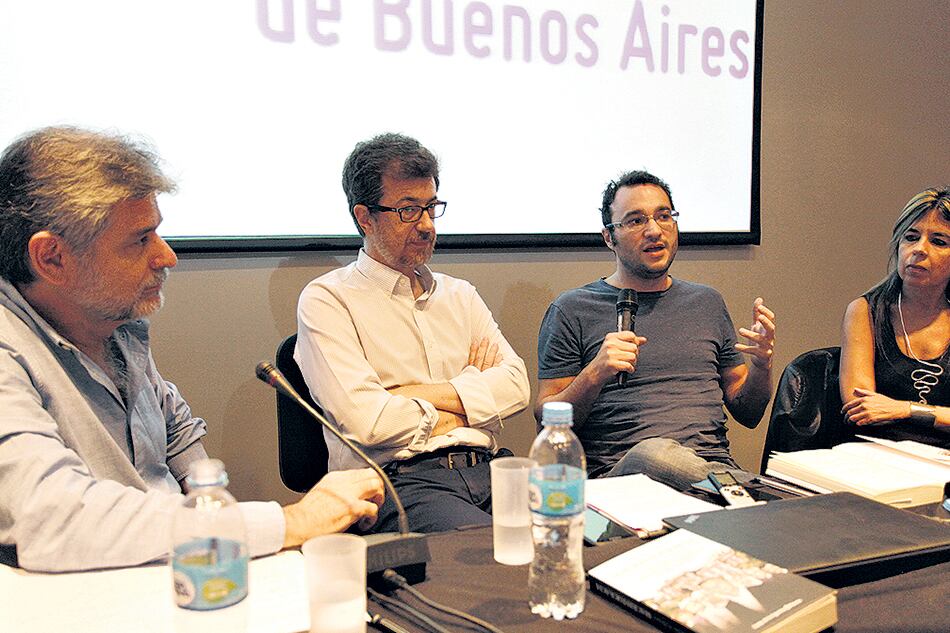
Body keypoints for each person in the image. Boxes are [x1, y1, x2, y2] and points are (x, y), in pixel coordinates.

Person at [0, 127, 384, 572]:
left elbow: (176, 430)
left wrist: (218, 532)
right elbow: (54, 519)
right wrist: (288, 522)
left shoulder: (116, 325)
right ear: (52, 259)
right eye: (140, 240)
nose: (166, 256)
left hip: (175, 575)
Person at [295, 133, 530, 533]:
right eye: (408, 210)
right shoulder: (328, 300)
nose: (425, 225)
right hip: (401, 482)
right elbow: (370, 424)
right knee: (491, 553)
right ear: (365, 217)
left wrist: (409, 395)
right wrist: (473, 391)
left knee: (582, 532)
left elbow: (517, 386)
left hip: (491, 468)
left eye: (431, 208)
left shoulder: (460, 295)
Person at [536, 170, 776, 489]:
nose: (654, 230)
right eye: (636, 220)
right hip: (620, 478)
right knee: (654, 453)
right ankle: (754, 498)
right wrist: (594, 373)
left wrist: (762, 366)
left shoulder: (707, 302)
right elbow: (546, 423)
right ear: (609, 237)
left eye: (664, 216)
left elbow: (749, 412)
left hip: (712, 468)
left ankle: (739, 495)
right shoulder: (572, 309)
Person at [839, 187, 950, 448]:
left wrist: (906, 410)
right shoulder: (865, 311)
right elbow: (861, 406)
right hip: (881, 454)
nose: (919, 249)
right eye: (911, 237)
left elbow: (891, 409)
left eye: (939, 241)